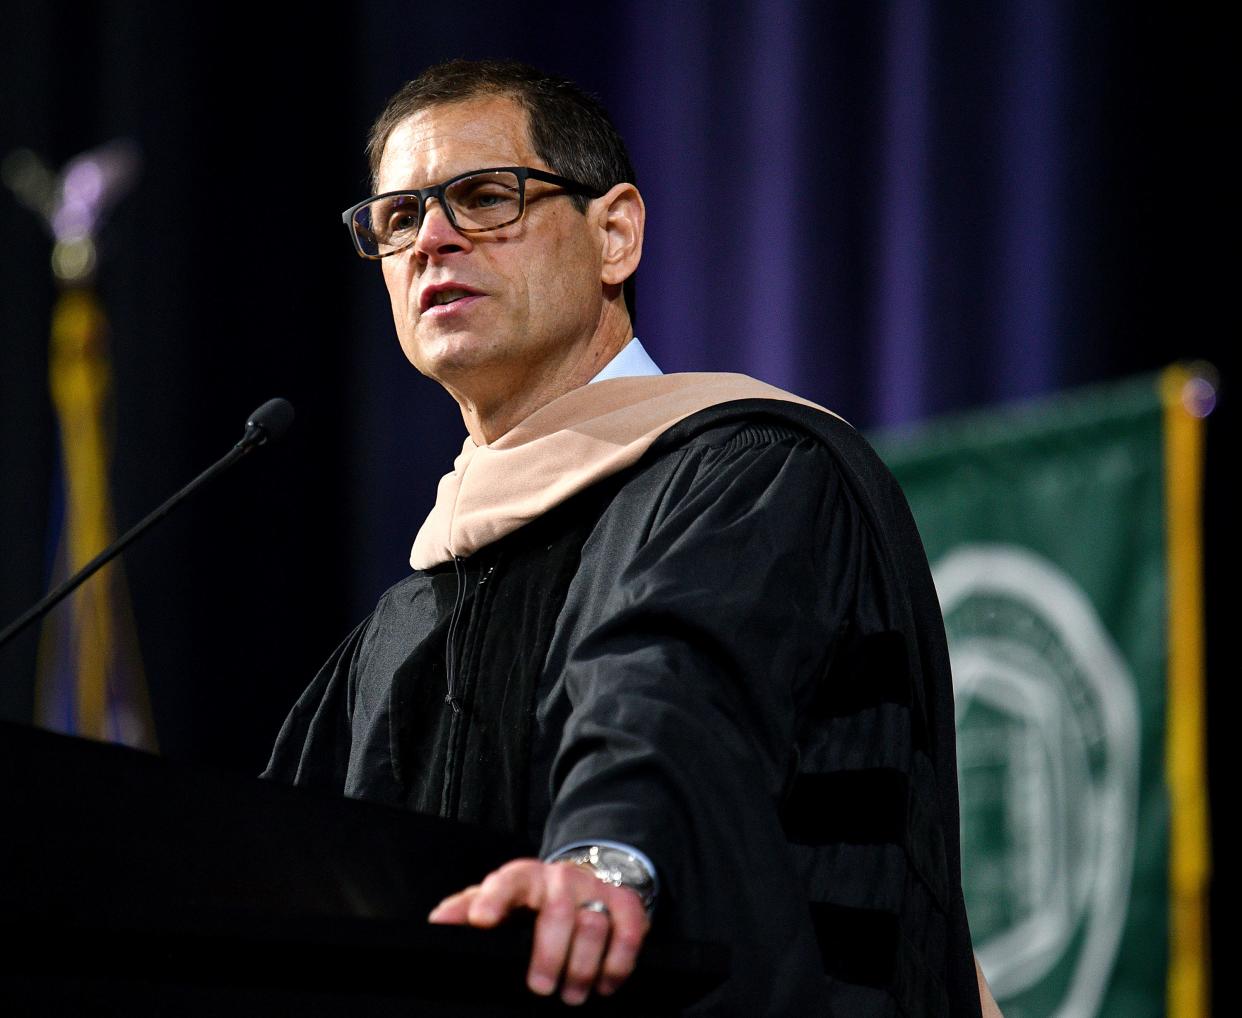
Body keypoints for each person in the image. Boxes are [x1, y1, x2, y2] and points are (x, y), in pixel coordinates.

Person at [266, 59, 996, 1016]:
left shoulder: (751, 471)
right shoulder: (407, 616)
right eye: (399, 218)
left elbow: (669, 686)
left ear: (615, 234)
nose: (431, 240)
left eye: (483, 198)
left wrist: (608, 860)